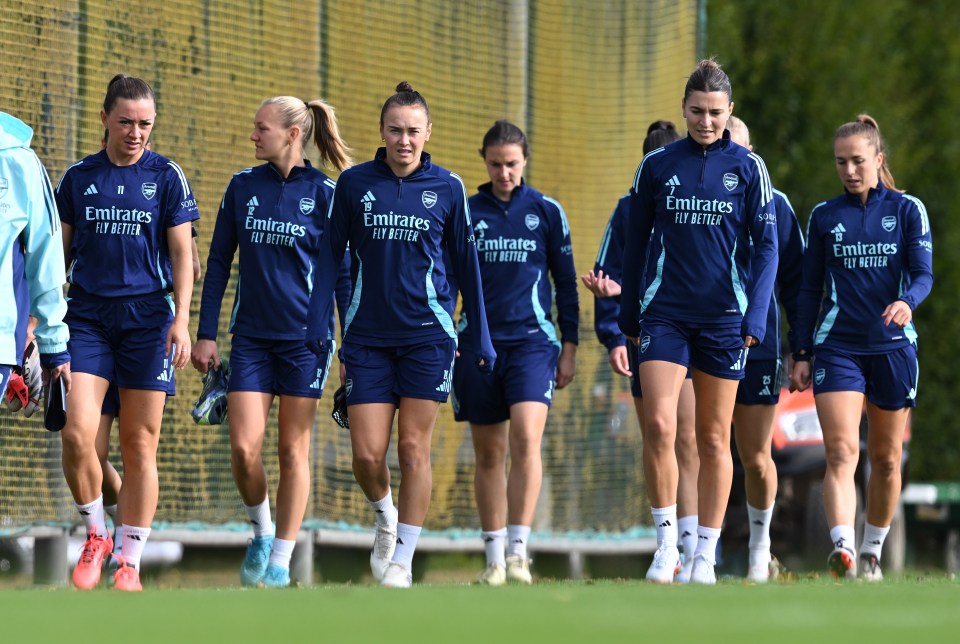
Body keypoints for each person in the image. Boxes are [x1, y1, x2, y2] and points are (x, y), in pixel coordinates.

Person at [305, 82, 496, 588]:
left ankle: (404, 560)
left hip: (428, 340)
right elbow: (330, 258)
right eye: (396, 130)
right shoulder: (353, 185)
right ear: (382, 132)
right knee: (367, 455)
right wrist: (316, 323)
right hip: (366, 340)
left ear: (428, 132)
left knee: (413, 449)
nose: (404, 140)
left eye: (413, 131)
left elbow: (468, 267)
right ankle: (386, 515)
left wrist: (480, 336)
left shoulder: (450, 188)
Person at [617, 59, 779, 585]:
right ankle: (668, 546)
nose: (705, 121)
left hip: (725, 320)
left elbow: (768, 248)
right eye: (696, 111)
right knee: (661, 426)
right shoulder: (658, 166)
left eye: (714, 113)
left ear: (729, 112)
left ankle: (706, 553)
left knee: (713, 439)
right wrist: (627, 311)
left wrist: (755, 314)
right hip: (664, 314)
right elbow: (634, 241)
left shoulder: (749, 170)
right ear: (682, 109)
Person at [192, 95, 352, 588]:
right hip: (252, 341)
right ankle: (262, 532)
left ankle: (281, 562)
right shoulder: (242, 187)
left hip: (307, 344)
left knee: (292, 451)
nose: (253, 135)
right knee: (243, 449)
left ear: (292, 135)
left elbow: (344, 275)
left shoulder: (328, 193)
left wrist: (349, 347)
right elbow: (218, 263)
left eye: (261, 128)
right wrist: (206, 333)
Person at [54, 74, 199, 591]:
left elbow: (183, 255)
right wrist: (38, 323)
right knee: (79, 438)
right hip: (88, 319)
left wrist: (182, 319)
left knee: (140, 445)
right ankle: (97, 532)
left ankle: (129, 562)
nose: (136, 133)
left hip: (148, 323)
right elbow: (58, 258)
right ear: (104, 119)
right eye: (126, 122)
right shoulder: (77, 178)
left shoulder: (166, 177)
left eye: (145, 124)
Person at [790, 114, 932, 581]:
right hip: (839, 349)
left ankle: (872, 551)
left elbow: (922, 274)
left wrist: (907, 303)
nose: (849, 170)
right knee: (841, 451)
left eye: (857, 161)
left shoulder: (908, 210)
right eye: (840, 162)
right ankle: (843, 549)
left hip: (893, 349)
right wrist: (803, 351)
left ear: (878, 159)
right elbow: (809, 290)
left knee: (887, 459)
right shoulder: (825, 217)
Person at [452, 120, 578, 586]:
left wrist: (570, 346)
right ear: (484, 162)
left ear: (525, 161)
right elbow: (447, 280)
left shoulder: (546, 211)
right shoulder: (466, 212)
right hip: (478, 346)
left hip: (533, 344)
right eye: (495, 164)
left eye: (511, 164)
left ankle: (520, 552)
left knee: (526, 438)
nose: (504, 172)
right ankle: (494, 559)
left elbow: (565, 283)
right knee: (489, 454)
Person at [581, 120, 702, 583]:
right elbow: (606, 275)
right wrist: (614, 335)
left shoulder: (700, 204)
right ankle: (667, 545)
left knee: (689, 440)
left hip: (697, 334)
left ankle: (694, 549)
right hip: (647, 338)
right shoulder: (629, 209)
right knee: (658, 434)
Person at [724, 115, 805, 583]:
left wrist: (801, 349)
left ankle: (760, 549)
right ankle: (695, 553)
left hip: (759, 344)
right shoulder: (694, 200)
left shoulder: (776, 204)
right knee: (699, 445)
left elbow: (795, 282)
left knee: (754, 455)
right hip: (700, 341)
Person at [0, 110, 71, 416]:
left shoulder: (20, 162)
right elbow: (46, 256)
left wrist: (51, 342)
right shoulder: (21, 161)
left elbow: (45, 256)